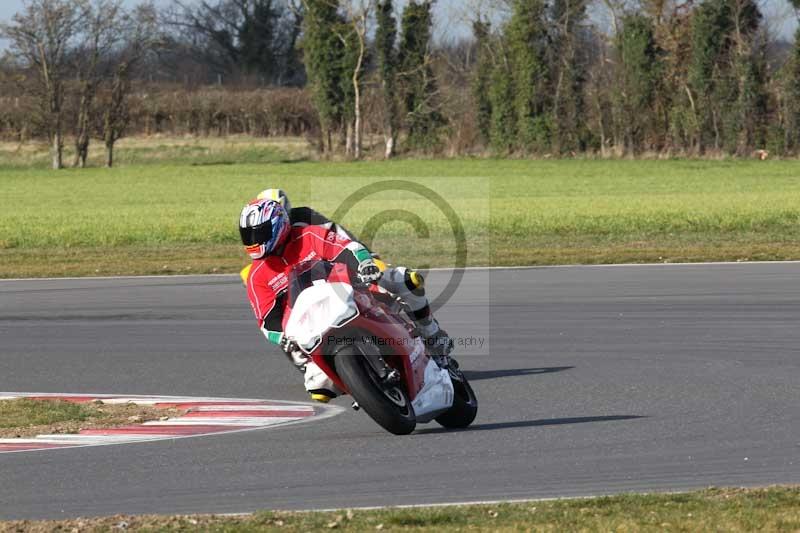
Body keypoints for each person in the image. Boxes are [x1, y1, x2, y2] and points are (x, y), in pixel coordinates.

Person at [240, 197, 452, 403]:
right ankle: (358, 382)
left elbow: (347, 247)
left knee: (405, 280)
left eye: (258, 234)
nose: (253, 241)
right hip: (312, 325)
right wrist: (282, 337)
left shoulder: (307, 235)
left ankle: (431, 333)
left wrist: (364, 263)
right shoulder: (256, 275)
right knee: (318, 387)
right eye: (248, 236)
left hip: (347, 289)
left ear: (279, 224)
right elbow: (267, 321)